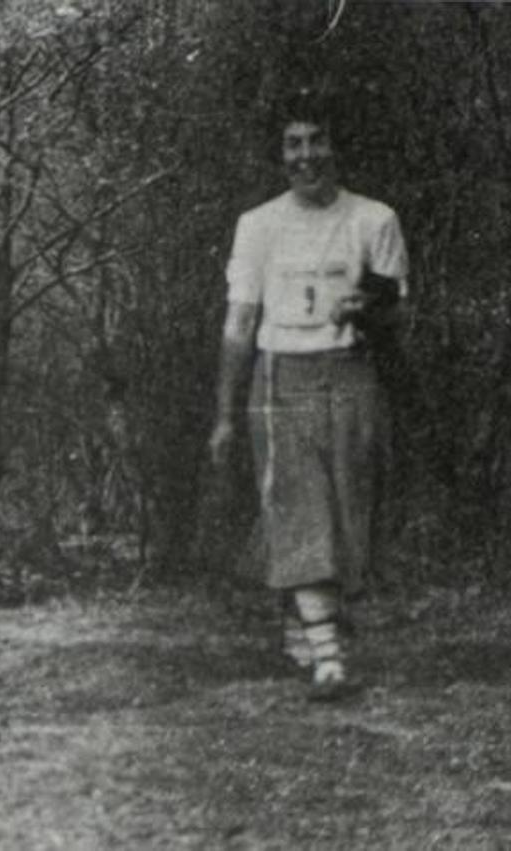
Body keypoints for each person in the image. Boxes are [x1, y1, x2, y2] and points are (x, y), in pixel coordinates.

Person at [208, 88, 409, 701]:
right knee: (299, 507)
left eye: (316, 141)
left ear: (337, 147)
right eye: (293, 144)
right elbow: (239, 324)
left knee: (349, 511)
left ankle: (310, 620)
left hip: (349, 374)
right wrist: (224, 415)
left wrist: (367, 308)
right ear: (279, 155)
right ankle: (328, 657)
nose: (305, 156)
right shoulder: (259, 225)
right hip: (279, 375)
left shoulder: (374, 219)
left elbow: (399, 311)